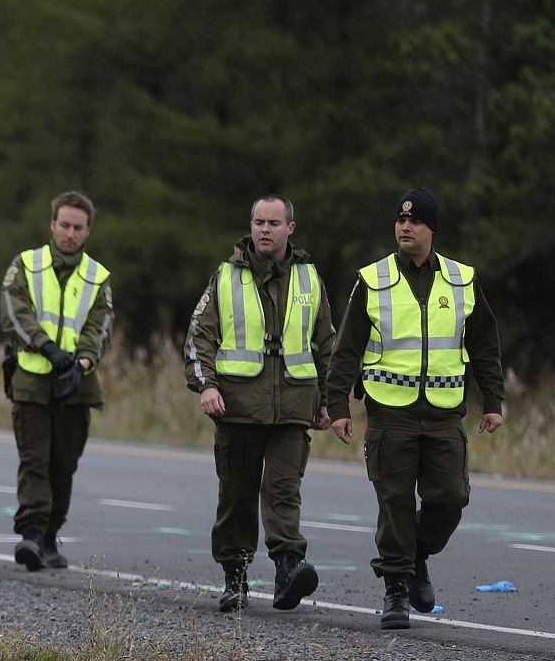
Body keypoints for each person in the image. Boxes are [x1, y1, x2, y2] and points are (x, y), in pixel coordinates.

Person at [326, 188, 504, 629]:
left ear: (432, 230)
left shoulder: (462, 280)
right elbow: (347, 348)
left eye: (416, 222)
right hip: (390, 411)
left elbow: (484, 345)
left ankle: (417, 553)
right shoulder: (373, 279)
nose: (405, 227)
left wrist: (494, 401)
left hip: (445, 411)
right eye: (400, 221)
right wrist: (337, 404)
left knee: (451, 498)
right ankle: (396, 590)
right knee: (394, 502)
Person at [184, 195, 334, 613]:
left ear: (290, 228)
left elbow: (327, 344)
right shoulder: (226, 276)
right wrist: (207, 387)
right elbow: (199, 337)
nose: (264, 229)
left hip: (293, 408)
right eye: (258, 222)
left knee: (284, 490)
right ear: (249, 226)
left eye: (273, 222)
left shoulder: (309, 278)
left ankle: (289, 568)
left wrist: (329, 401)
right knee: (237, 495)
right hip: (237, 406)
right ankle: (236, 577)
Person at [0, 190, 115, 571]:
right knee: (35, 460)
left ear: (87, 232)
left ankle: (50, 535)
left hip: (75, 385)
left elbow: (100, 326)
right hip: (32, 379)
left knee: (63, 464)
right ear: (52, 224)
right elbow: (15, 313)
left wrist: (81, 363)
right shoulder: (26, 265)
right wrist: (48, 349)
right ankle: (31, 533)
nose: (69, 233)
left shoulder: (97, 277)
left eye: (77, 227)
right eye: (64, 225)